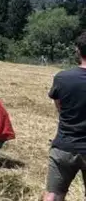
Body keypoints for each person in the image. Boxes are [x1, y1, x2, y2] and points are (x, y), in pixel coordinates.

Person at [43, 32, 86, 201]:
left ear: (77, 50)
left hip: (64, 146)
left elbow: (59, 109)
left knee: (53, 195)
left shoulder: (62, 77)